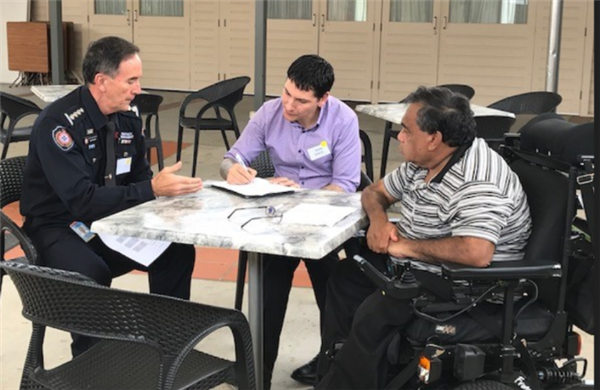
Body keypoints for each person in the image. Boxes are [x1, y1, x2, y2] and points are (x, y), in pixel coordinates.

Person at [314, 86, 533, 390]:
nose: (400, 136)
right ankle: (339, 369)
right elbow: (374, 191)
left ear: (434, 139)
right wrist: (378, 221)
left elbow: (476, 252)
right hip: (420, 270)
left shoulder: (479, 178)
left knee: (374, 312)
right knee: (345, 278)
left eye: (406, 130)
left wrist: (408, 247)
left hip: (470, 289)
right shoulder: (426, 162)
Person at [20, 36, 203, 357]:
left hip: (107, 221)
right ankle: (91, 364)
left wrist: (162, 205)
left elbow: (139, 177)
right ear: (102, 82)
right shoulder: (58, 124)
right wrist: (151, 190)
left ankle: (169, 347)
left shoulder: (127, 118)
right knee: (91, 272)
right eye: (131, 80)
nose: (138, 89)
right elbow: (82, 200)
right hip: (58, 226)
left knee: (176, 250)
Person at [219, 54, 362, 389]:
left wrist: (302, 191)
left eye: (301, 100)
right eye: (286, 93)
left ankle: (330, 369)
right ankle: (257, 377)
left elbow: (345, 185)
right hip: (278, 219)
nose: (289, 105)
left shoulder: (343, 119)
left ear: (322, 99)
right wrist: (233, 171)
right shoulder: (270, 112)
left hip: (323, 219)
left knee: (334, 294)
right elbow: (230, 158)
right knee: (267, 294)